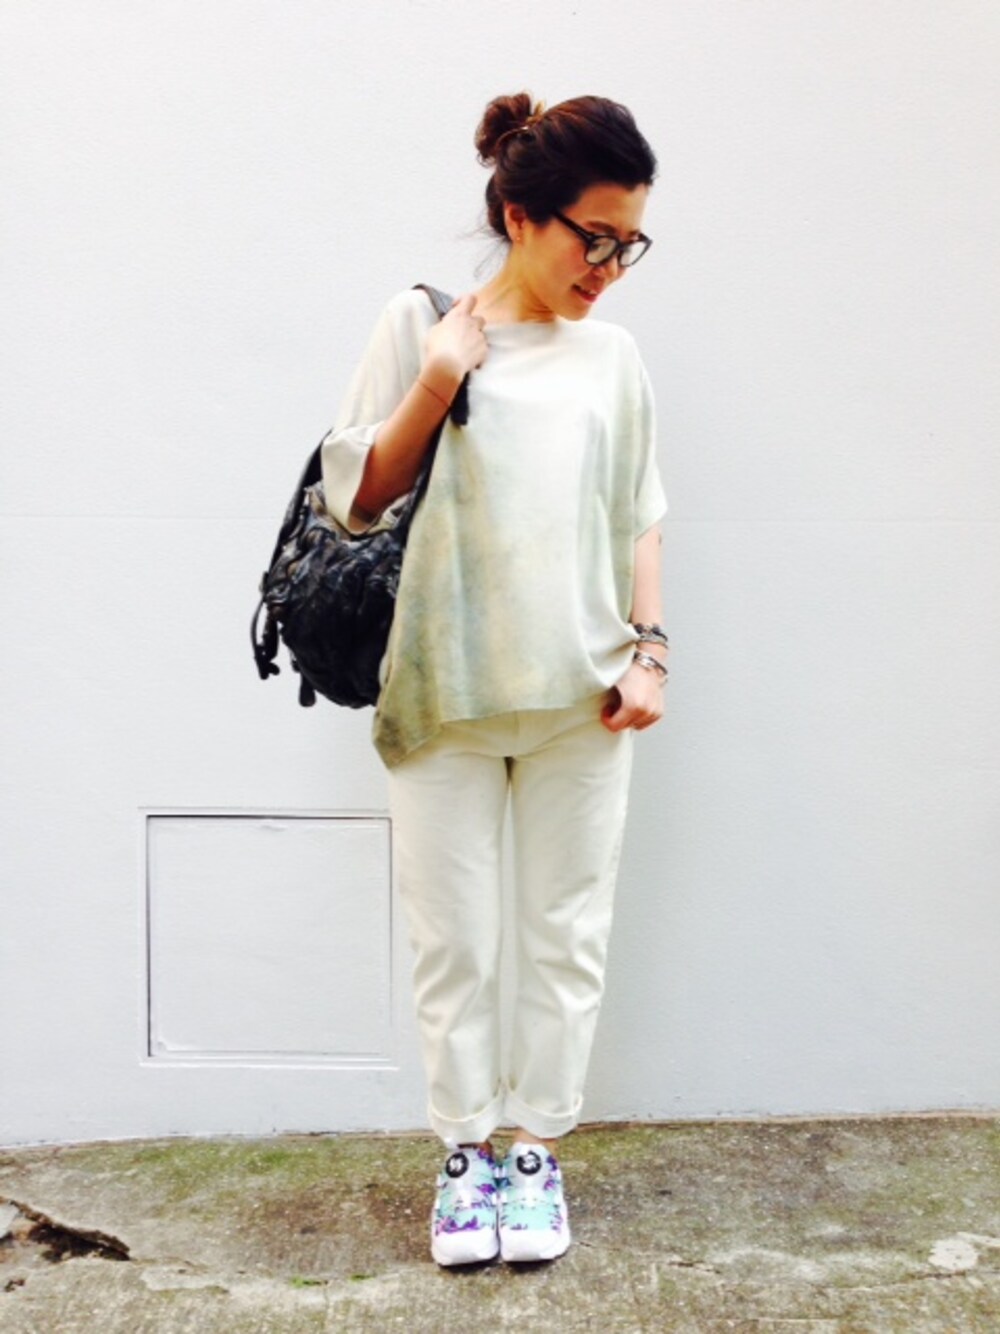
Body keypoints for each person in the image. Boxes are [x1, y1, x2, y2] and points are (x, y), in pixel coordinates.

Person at [321, 91, 667, 1267]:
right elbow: (355, 499)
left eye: (630, 245)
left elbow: (639, 513)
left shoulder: (613, 357)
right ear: (522, 216)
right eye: (594, 239)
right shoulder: (419, 323)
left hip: (582, 697)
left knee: (566, 934)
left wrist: (651, 649)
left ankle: (534, 1150)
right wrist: (437, 377)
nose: (608, 269)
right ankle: (464, 1154)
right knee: (454, 943)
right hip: (442, 693)